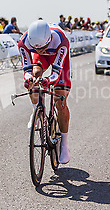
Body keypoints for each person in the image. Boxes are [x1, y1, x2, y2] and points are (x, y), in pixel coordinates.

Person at [18, 20, 72, 164]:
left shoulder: (61, 40)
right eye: (37, 48)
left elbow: (56, 74)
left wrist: (49, 80)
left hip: (59, 59)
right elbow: (27, 70)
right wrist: (29, 78)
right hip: (41, 61)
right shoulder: (23, 42)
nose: (41, 50)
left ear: (49, 40)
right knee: (34, 77)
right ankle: (36, 109)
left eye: (43, 47)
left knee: (60, 100)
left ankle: (65, 144)